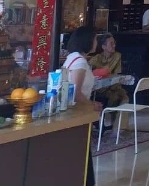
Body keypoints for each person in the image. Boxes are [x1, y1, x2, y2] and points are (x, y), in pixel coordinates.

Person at [63, 26, 98, 186]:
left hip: (75, 113)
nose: (96, 42)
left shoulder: (73, 57)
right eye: (95, 39)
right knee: (82, 152)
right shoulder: (80, 62)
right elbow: (75, 93)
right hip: (78, 113)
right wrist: (92, 104)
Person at [88, 33, 128, 129]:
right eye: (111, 43)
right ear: (103, 47)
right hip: (98, 89)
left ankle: (118, 127)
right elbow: (89, 68)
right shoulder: (96, 58)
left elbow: (117, 74)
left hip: (113, 88)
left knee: (123, 97)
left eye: (114, 43)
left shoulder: (117, 56)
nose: (114, 45)